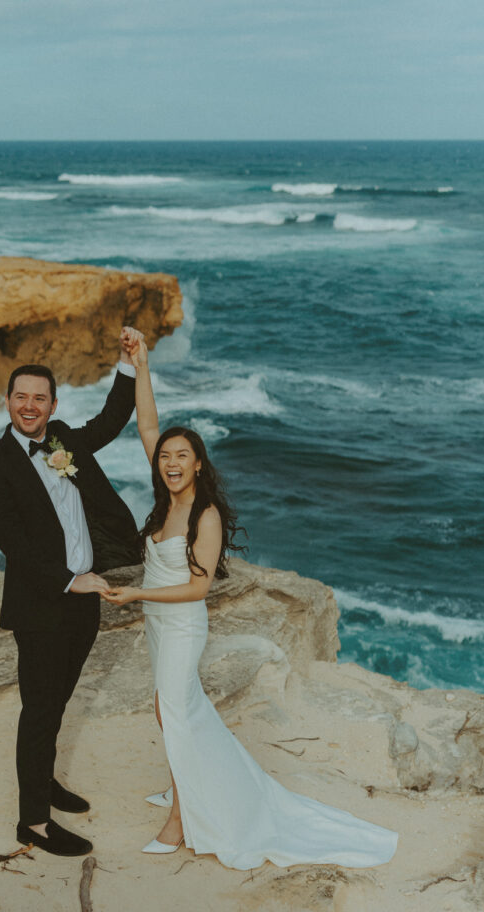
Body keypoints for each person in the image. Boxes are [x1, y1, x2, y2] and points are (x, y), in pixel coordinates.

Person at [103, 339, 398, 870]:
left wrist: (137, 592)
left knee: (174, 708)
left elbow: (197, 589)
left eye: (181, 457)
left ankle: (180, 817)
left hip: (180, 623)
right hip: (156, 623)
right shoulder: (167, 495)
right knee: (170, 709)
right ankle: (182, 788)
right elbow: (148, 426)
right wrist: (141, 365)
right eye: (166, 457)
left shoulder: (204, 515)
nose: (170, 462)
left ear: (198, 465)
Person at [0, 328, 143, 857]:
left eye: (39, 398)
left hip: (84, 603)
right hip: (42, 605)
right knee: (39, 709)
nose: (29, 406)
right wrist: (72, 581)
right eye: (20, 396)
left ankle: (44, 782)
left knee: (59, 700)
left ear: (52, 404)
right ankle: (33, 823)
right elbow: (14, 545)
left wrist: (128, 363)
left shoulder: (63, 439)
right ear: (7, 402)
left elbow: (113, 420)